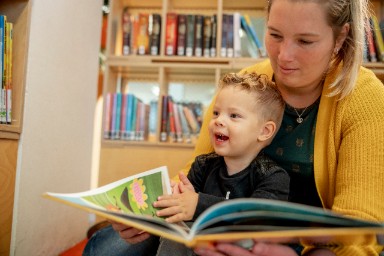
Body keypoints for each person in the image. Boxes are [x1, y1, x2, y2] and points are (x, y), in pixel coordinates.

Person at [84, 0, 384, 254]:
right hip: (213, 222)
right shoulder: (243, 85)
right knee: (105, 248)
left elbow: (357, 229)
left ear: (341, 37)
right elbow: (197, 172)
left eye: (305, 41)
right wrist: (154, 213)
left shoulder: (365, 98)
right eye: (275, 34)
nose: (284, 55)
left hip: (303, 243)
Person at [84, 72, 290, 256]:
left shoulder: (273, 176)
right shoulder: (203, 165)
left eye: (234, 115)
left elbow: (257, 218)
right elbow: (179, 213)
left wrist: (197, 204)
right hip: (191, 246)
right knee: (173, 230)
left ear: (265, 131)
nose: (218, 120)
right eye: (216, 113)